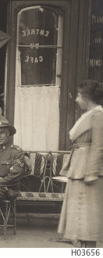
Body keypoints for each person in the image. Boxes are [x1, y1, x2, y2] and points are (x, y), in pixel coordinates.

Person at [58, 80, 103, 248]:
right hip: (79, 168)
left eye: (78, 95)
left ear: (87, 97)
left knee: (87, 221)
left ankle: (89, 251)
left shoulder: (98, 114)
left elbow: (99, 145)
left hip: (87, 171)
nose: (76, 99)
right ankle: (83, 249)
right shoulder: (88, 115)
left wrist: (91, 172)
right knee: (80, 221)